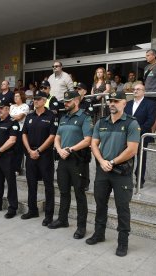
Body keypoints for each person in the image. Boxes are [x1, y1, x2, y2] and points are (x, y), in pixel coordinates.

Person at [87, 91, 141, 257]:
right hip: (103, 170)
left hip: (121, 172)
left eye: (116, 101)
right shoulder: (101, 122)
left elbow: (132, 149)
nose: (112, 103)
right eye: (110, 101)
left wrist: (113, 162)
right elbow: (94, 144)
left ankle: (123, 242)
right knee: (100, 203)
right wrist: (102, 161)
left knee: (122, 208)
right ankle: (99, 234)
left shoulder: (131, 123)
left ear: (124, 103)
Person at [49, 91, 93, 239]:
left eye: (68, 101)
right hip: (63, 159)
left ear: (76, 100)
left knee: (80, 194)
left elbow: (88, 140)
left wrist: (70, 149)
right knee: (63, 192)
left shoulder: (85, 117)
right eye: (64, 101)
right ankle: (63, 219)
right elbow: (57, 137)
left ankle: (81, 227)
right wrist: (60, 149)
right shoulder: (63, 117)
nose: (65, 104)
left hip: (77, 160)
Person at [21, 90, 57, 227]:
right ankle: (32, 210)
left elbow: (52, 136)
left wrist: (38, 150)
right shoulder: (30, 116)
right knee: (31, 183)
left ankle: (49, 215)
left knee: (48, 186)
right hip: (31, 154)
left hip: (45, 155)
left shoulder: (51, 116)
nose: (35, 101)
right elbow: (24, 134)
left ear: (44, 100)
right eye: (34, 99)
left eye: (38, 99)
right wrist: (30, 150)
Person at [124, 84, 156, 187]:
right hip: (127, 135)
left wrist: (138, 130)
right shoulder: (128, 104)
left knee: (141, 158)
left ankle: (140, 180)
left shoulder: (150, 104)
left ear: (144, 91)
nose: (135, 91)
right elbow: (124, 118)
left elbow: (151, 120)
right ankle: (126, 178)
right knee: (128, 157)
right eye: (134, 89)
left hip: (142, 135)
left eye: (138, 89)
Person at [9, 90, 29, 175]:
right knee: (11, 149)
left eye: (17, 96)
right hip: (11, 130)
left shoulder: (25, 106)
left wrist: (12, 117)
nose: (15, 98)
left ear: (21, 97)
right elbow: (9, 117)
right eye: (14, 96)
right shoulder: (12, 106)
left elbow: (20, 117)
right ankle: (10, 167)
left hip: (20, 130)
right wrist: (14, 117)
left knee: (18, 150)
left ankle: (17, 169)